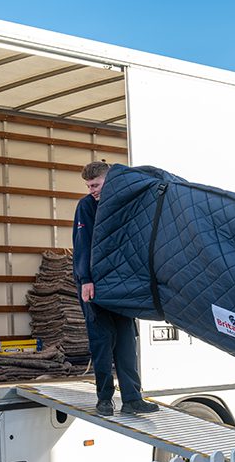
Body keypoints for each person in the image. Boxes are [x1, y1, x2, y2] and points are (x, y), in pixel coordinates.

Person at [73, 161, 159, 416]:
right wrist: (85, 279)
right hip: (95, 286)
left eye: (96, 185)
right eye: (89, 186)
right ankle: (105, 400)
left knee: (126, 344)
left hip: (121, 285)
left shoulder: (122, 203)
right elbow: (82, 245)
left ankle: (132, 398)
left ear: (108, 180)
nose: (92, 190)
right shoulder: (86, 206)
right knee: (102, 343)